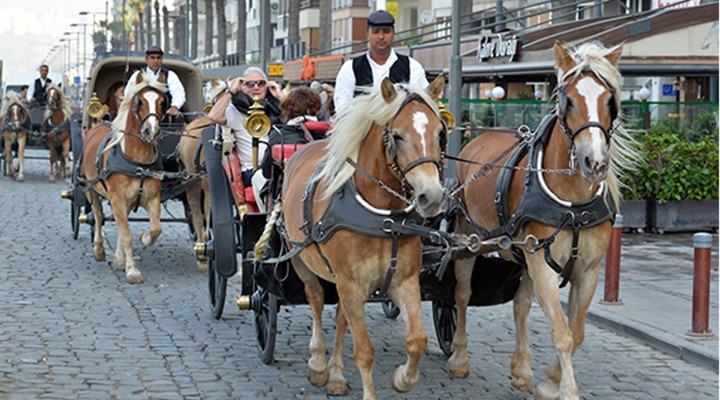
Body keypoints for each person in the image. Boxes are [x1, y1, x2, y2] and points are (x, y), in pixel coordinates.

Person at [333, 10, 429, 114]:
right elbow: (342, 108)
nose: (381, 37)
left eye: (386, 32)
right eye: (376, 32)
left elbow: (422, 103)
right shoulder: (350, 68)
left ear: (393, 33)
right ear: (367, 34)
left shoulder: (412, 67)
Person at [252, 86, 330, 211]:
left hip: (288, 189)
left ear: (288, 110)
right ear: (314, 109)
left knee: (256, 177)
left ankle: (267, 215)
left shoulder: (278, 134)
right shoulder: (328, 133)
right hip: (323, 186)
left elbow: (267, 172)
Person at [207, 66, 284, 187]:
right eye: (250, 84)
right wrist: (231, 91)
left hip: (279, 167)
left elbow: (297, 117)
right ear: (242, 87)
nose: (256, 87)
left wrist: (280, 96)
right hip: (252, 171)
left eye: (261, 83)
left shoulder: (276, 108)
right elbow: (213, 116)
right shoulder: (235, 111)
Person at [135, 45, 185, 117]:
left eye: (158, 58)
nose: (156, 61)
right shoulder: (138, 75)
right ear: (146, 59)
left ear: (162, 59)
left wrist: (174, 107)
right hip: (142, 119)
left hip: (166, 119)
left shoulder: (170, 75)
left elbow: (179, 94)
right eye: (152, 58)